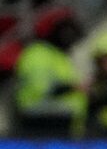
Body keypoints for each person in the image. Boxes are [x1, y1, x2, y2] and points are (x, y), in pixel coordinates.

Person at [13, 9, 85, 138]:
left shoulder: (58, 56)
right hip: (42, 124)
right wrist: (71, 88)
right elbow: (40, 89)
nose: (69, 36)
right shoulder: (37, 53)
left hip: (64, 125)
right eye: (65, 31)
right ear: (53, 31)